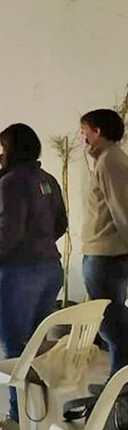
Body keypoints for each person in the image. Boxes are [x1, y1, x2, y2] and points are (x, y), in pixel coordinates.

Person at [0, 123, 67, 430]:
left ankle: (17, 420)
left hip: (17, 274)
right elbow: (61, 223)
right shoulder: (47, 179)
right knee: (38, 348)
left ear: (12, 149)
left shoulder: (12, 182)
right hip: (49, 269)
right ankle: (37, 415)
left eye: (2, 145)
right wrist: (40, 244)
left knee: (16, 350)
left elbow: (7, 230)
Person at [80, 108, 128, 378]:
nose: (82, 136)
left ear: (98, 131)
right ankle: (117, 385)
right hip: (105, 254)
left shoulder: (110, 160)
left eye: (85, 130)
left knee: (112, 325)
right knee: (113, 322)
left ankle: (119, 389)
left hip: (106, 256)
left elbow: (122, 211)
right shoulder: (108, 159)